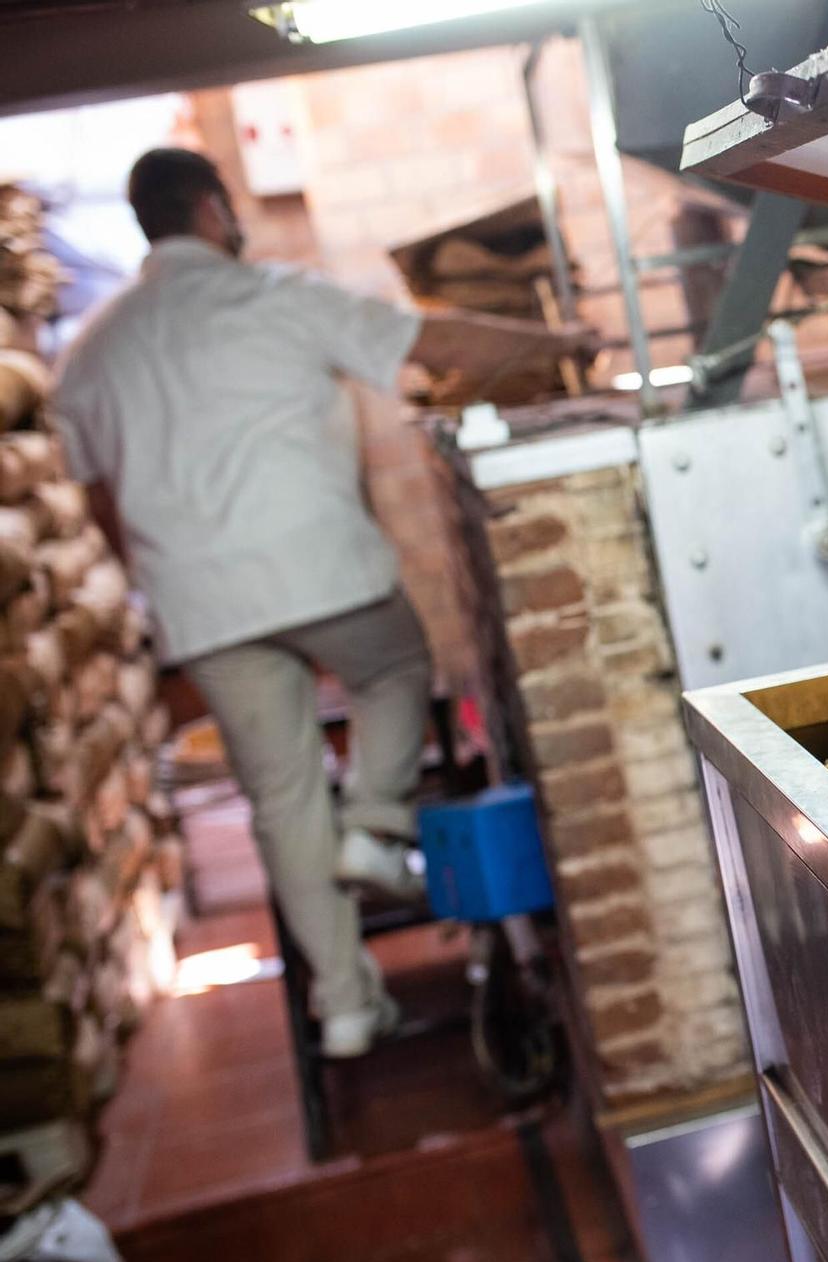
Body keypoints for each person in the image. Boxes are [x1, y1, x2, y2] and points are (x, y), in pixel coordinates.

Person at [52, 148, 595, 1058]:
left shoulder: (91, 349)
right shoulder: (274, 294)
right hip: (320, 565)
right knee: (393, 668)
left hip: (199, 596)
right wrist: (561, 346)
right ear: (216, 213)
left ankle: (346, 1006)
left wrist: (154, 569)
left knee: (280, 795)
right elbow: (436, 342)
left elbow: (93, 493)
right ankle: (376, 822)